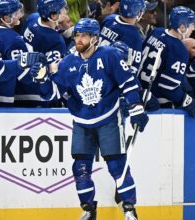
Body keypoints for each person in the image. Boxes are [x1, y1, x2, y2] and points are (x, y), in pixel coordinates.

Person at [31, 18, 149, 220]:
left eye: (84, 35)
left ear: (95, 38)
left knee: (117, 165)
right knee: (80, 168)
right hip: (82, 120)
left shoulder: (110, 55)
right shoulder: (68, 62)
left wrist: (136, 106)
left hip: (108, 118)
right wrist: (42, 80)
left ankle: (129, 209)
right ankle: (88, 209)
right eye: (77, 35)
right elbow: (53, 94)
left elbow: (128, 81)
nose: (79, 39)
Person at [138, 6, 195, 118]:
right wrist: (186, 100)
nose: (193, 29)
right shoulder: (179, 50)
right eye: (192, 25)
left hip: (140, 92)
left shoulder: (156, 32)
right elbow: (168, 88)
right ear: (182, 27)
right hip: (158, 102)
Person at [19, 0, 69, 107]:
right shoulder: (56, 40)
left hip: (21, 81)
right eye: (62, 10)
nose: (65, 12)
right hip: (38, 89)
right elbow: (54, 71)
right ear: (53, 16)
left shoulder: (32, 18)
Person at [99, 0, 145, 76]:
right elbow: (132, 68)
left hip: (95, 65)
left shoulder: (109, 19)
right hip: (110, 76)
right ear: (138, 12)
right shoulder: (134, 36)